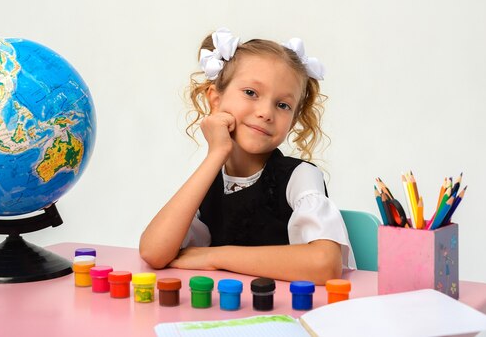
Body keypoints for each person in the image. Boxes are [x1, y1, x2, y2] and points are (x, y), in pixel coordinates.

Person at [139, 28, 355, 284]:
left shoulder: (299, 176)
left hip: (287, 314)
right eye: (251, 93)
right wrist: (216, 154)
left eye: (283, 105)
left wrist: (214, 257)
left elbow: (325, 264)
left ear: (293, 119)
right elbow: (154, 252)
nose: (266, 112)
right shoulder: (210, 180)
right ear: (215, 99)